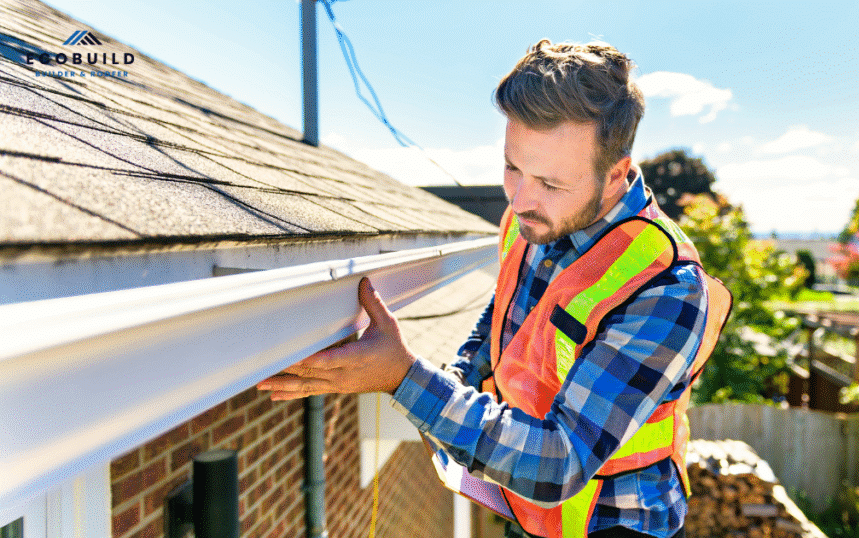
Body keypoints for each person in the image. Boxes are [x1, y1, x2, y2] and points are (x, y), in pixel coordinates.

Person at [258, 39, 731, 538]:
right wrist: (456, 377)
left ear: (615, 174)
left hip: (615, 523)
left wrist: (404, 379)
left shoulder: (666, 289)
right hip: (527, 512)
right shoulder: (529, 220)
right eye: (512, 167)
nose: (522, 198)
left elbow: (558, 464)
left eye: (550, 183)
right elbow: (503, 317)